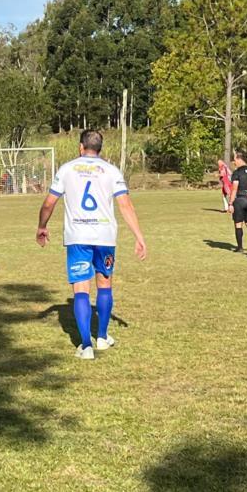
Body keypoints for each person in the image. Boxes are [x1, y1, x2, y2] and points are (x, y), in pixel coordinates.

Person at [36, 130, 146, 360]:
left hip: (78, 236)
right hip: (105, 236)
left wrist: (42, 226)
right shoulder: (111, 170)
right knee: (104, 284)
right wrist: (138, 236)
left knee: (81, 289)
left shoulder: (67, 169)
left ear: (80, 147)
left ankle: (86, 346)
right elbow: (126, 205)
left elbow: (49, 204)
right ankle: (103, 338)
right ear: (100, 148)